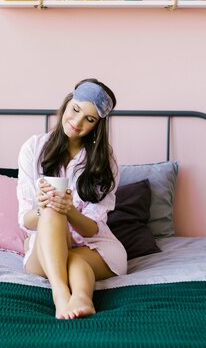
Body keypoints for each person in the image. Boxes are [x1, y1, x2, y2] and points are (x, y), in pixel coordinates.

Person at [17, 78, 127, 320]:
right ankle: (61, 296)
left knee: (75, 257)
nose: (77, 123)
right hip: (44, 248)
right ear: (67, 103)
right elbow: (25, 220)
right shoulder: (33, 148)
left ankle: (81, 299)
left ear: (97, 125)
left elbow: (91, 230)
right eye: (75, 110)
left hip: (93, 246)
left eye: (89, 119)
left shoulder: (103, 161)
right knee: (51, 211)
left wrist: (70, 211)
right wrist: (44, 209)